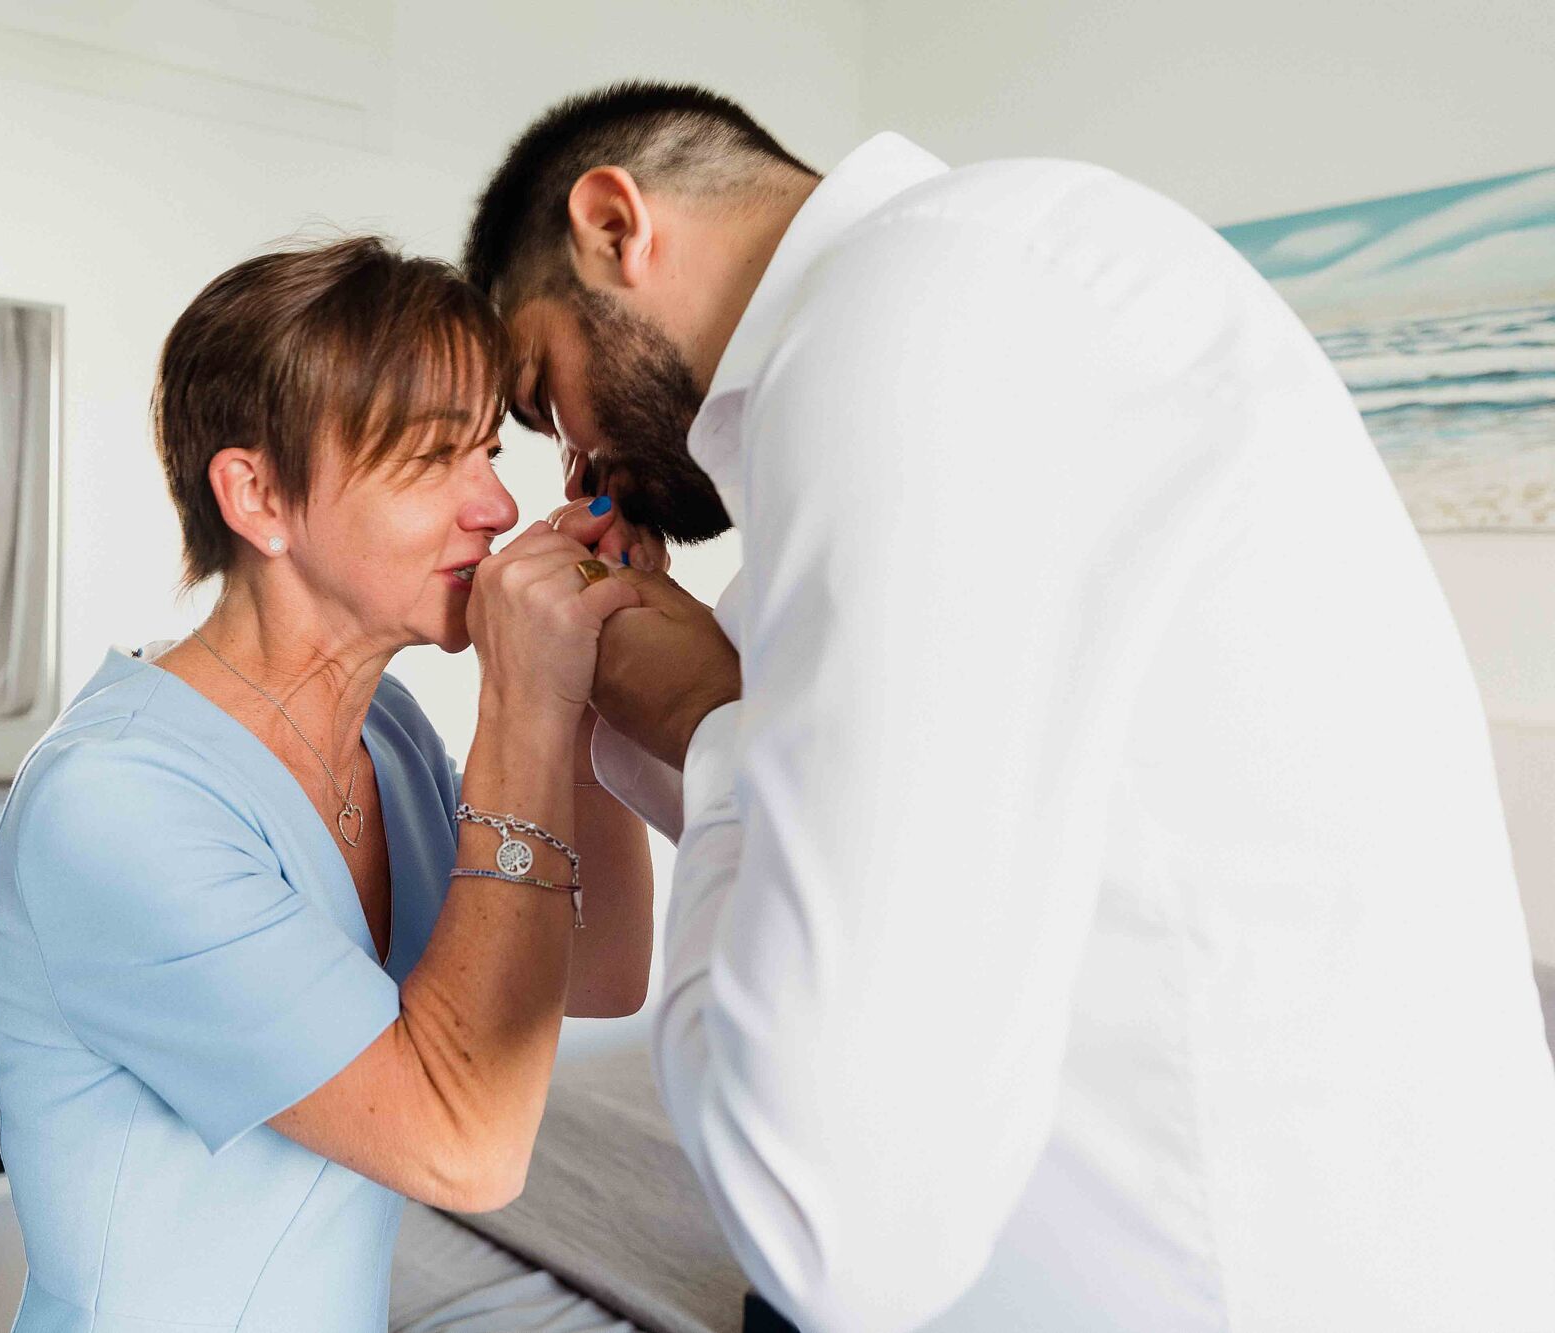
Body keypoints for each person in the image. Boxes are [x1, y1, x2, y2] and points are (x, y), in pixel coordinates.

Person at [466, 83, 1555, 1332]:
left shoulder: (906, 321)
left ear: (613, 226)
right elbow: (871, 865)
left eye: (545, 396)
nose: (574, 467)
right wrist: (689, 723)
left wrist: (716, 730)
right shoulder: (987, 297)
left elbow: (820, 1224)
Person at [0, 237, 655, 1333]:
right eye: (436, 458)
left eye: (488, 451)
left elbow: (603, 969)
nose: (493, 506)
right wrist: (520, 707)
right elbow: (466, 1145)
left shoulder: (384, 732)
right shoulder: (114, 805)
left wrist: (584, 693)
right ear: (257, 496)